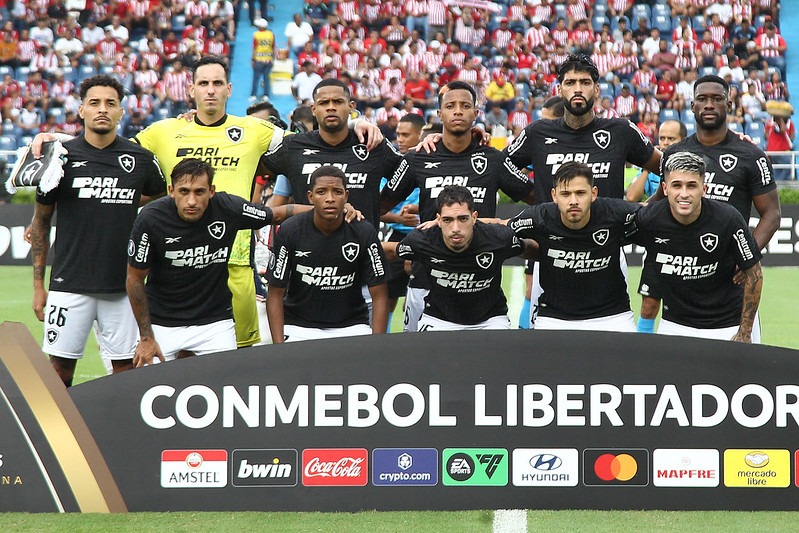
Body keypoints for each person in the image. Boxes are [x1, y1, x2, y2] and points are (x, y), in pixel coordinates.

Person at [32, 55, 381, 350]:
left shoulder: (255, 131)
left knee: (238, 364)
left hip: (235, 262)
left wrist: (360, 122)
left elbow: (318, 140)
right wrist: (59, 137)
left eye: (218, 83)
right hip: (174, 269)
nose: (210, 90)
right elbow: (107, 149)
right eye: (203, 83)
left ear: (229, 89)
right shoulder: (163, 131)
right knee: (163, 363)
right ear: (191, 90)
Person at [502, 54, 660, 328]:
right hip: (551, 253)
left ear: (596, 90)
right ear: (559, 89)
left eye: (585, 82)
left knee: (611, 349)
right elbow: (499, 167)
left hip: (608, 252)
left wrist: (652, 206)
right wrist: (535, 198)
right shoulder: (538, 133)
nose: (578, 88)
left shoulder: (620, 130)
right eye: (570, 82)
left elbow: (668, 168)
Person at [29, 75, 165, 387]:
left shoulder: (141, 159)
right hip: (69, 284)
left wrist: (127, 199)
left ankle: (117, 436)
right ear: (81, 111)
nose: (102, 109)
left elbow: (159, 192)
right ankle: (57, 435)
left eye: (110, 103)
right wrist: (39, 285)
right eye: (94, 103)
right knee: (59, 372)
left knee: (125, 373)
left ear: (121, 112)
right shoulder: (60, 156)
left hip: (121, 287)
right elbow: (41, 221)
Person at [381, 81, 536, 332]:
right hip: (425, 281)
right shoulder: (419, 157)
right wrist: (396, 221)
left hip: (481, 283)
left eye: (465, 106)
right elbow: (378, 204)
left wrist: (504, 225)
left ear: (476, 114)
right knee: (421, 364)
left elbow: (537, 200)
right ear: (439, 114)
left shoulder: (493, 159)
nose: (457, 111)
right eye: (450, 106)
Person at [126, 159, 310, 365]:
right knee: (149, 388)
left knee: (225, 387)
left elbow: (276, 214)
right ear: (171, 190)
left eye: (199, 192)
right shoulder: (150, 218)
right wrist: (146, 337)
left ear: (211, 191)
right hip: (162, 323)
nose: (191, 201)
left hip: (214, 323)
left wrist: (330, 209)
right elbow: (134, 278)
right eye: (184, 191)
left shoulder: (227, 207)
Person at [652, 75, 780, 340]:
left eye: (717, 99)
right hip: (684, 279)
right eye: (702, 99)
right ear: (692, 106)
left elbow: (772, 214)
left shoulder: (751, 155)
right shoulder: (674, 154)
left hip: (731, 287)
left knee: (741, 373)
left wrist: (746, 257)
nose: (709, 105)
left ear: (729, 104)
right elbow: (658, 204)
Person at [628, 151, 763, 342]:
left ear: (704, 188)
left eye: (691, 186)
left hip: (726, 325)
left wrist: (745, 332)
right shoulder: (649, 218)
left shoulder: (727, 219)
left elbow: (754, 274)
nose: (684, 194)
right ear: (665, 188)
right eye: (677, 186)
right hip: (675, 326)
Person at [505, 162, 641, 331]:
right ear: (554, 196)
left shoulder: (615, 212)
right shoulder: (540, 217)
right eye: (565, 194)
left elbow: (655, 216)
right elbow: (500, 228)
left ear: (594, 193)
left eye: (580, 193)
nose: (573, 201)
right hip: (554, 317)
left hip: (613, 316)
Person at [384, 185, 535, 330]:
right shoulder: (423, 239)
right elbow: (389, 250)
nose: (455, 229)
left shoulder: (499, 238)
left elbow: (530, 248)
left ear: (474, 217)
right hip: (438, 319)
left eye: (463, 219)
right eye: (448, 220)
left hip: (491, 320)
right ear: (439, 220)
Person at [266, 166, 389, 342]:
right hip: (299, 327)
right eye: (321, 192)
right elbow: (275, 293)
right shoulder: (290, 231)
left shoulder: (363, 231)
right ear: (310, 197)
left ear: (346, 196)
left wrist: (377, 345)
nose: (329, 199)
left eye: (337, 192)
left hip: (351, 326)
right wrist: (279, 345)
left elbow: (380, 295)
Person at [264, 78, 402, 231]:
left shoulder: (372, 143)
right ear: (314, 109)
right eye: (324, 103)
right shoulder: (294, 145)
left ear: (351, 107)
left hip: (360, 249)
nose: (331, 107)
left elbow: (408, 173)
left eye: (337, 102)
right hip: (306, 248)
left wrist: (380, 206)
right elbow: (253, 166)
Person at [380, 113, 424, 330]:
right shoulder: (390, 167)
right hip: (395, 238)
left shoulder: (430, 163)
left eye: (406, 135)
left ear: (420, 135)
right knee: (387, 297)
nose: (401, 139)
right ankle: (381, 343)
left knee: (418, 298)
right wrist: (398, 218)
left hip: (427, 238)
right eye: (398, 134)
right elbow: (376, 209)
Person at [626, 120, 687, 202]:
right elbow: (631, 198)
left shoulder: (692, 166)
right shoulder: (650, 166)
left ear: (684, 141)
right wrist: (648, 168)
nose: (665, 143)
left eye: (671, 139)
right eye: (662, 138)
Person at [251, 18, 274, 101]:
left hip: (259, 59)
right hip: (268, 59)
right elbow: (273, 47)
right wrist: (272, 58)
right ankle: (266, 95)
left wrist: (252, 59)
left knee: (256, 78)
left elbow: (254, 48)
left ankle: (253, 95)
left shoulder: (256, 34)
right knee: (266, 78)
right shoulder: (271, 34)